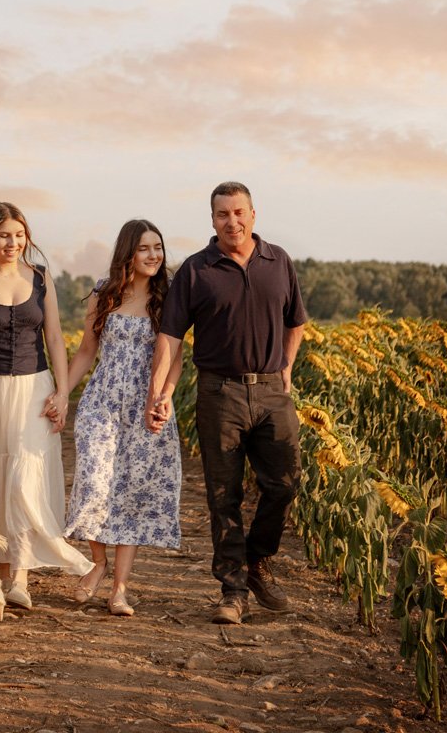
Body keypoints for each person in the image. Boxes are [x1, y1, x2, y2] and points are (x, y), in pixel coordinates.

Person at [145, 182, 306, 625]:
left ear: (254, 214)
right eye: (222, 215)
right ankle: (233, 590)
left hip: (273, 392)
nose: (231, 222)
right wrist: (159, 394)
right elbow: (171, 338)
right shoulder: (197, 271)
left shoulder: (279, 261)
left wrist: (287, 367)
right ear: (212, 220)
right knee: (223, 495)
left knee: (285, 483)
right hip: (220, 393)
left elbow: (296, 321)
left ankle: (256, 560)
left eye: (238, 212)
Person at [0, 202, 90, 609]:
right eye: (5, 235)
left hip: (34, 388)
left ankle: (21, 577)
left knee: (25, 476)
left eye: (20, 235)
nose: (13, 242)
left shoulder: (42, 279)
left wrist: (63, 393)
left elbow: (57, 339)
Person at [65, 220, 182, 616]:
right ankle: (97, 562)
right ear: (128, 253)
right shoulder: (105, 293)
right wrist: (62, 392)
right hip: (102, 400)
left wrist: (163, 397)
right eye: (145, 248)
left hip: (144, 407)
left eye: (158, 248)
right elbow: (85, 351)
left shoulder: (168, 299)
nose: (154, 256)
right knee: (94, 482)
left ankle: (119, 589)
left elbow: (176, 361)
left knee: (130, 495)